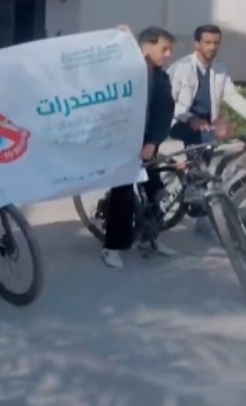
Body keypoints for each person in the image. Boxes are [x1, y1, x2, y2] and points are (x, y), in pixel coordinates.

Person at [101, 26, 179, 270]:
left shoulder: (161, 78)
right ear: (147, 46)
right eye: (164, 49)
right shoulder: (125, 70)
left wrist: (153, 142)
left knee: (156, 192)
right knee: (122, 196)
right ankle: (112, 248)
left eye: (170, 50)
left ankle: (151, 238)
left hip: (147, 144)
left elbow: (164, 113)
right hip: (122, 143)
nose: (168, 55)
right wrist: (116, 38)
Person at [168, 24, 246, 233]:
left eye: (216, 43)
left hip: (205, 126)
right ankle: (198, 199)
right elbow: (167, 102)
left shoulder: (219, 69)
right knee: (202, 161)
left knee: (216, 160)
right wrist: (190, 118)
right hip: (178, 121)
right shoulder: (181, 68)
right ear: (197, 44)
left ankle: (202, 205)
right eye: (207, 42)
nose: (212, 47)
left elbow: (232, 96)